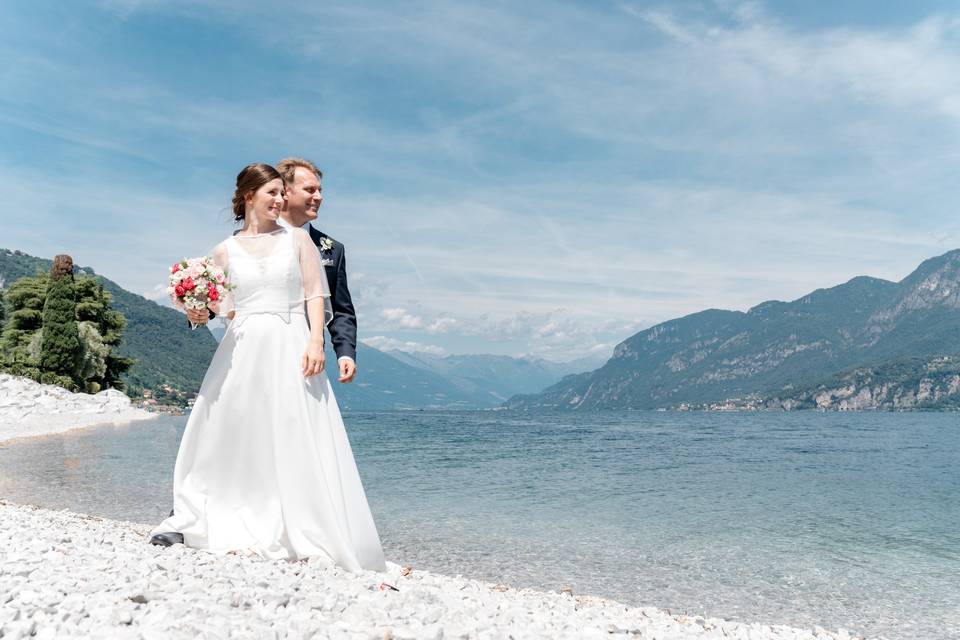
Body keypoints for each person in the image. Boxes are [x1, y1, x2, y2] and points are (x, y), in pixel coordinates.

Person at [149, 164, 386, 572]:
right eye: (272, 193)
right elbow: (215, 308)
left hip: (291, 341)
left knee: (292, 429)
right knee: (233, 430)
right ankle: (205, 514)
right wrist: (195, 309)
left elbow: (316, 293)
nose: (279, 201)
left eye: (282, 193)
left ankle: (298, 521)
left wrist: (316, 343)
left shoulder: (297, 240)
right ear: (247, 197)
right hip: (241, 346)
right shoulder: (224, 250)